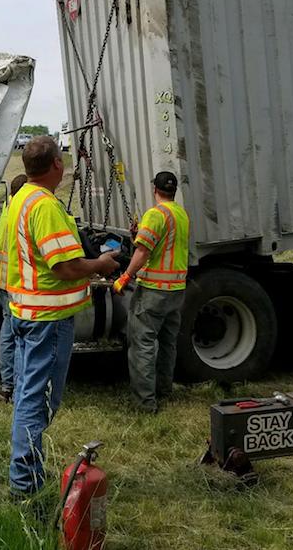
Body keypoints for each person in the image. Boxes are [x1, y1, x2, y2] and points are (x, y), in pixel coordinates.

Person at [5, 136, 119, 495]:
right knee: (38, 403)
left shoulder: (22, 198)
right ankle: (25, 485)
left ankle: (24, 475)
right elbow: (66, 266)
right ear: (57, 164)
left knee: (28, 397)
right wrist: (100, 263)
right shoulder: (45, 205)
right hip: (48, 320)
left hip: (26, 315)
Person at [113, 171, 190, 413]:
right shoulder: (180, 213)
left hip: (154, 290)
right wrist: (140, 235)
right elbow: (165, 245)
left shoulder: (155, 214)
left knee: (142, 343)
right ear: (173, 190)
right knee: (168, 342)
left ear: (154, 189)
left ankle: (146, 403)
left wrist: (125, 277)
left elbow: (143, 251)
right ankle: (164, 390)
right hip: (176, 289)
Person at [0, 173, 27, 402]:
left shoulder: (8, 206)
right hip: (14, 281)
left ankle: (7, 386)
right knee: (19, 335)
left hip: (1, 280)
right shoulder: (20, 210)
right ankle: (16, 388)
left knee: (8, 333)